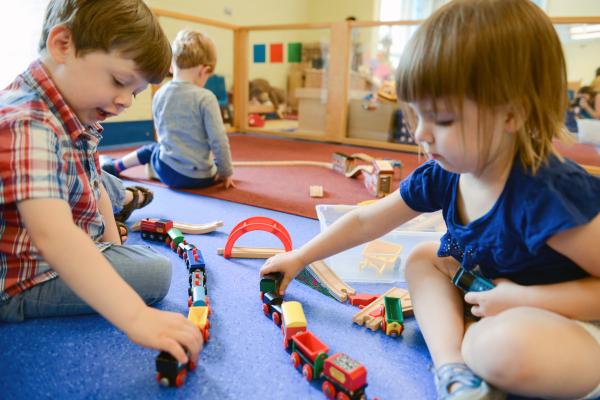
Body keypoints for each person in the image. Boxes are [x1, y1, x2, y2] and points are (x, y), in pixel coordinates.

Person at [261, 1, 600, 399]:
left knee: (496, 347)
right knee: (424, 258)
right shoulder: (448, 172)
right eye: (416, 116)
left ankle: (474, 349)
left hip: (569, 323)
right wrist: (301, 257)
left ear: (513, 114)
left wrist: (524, 299)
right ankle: (452, 367)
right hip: (493, 299)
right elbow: (367, 221)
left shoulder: (548, 194)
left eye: (441, 120)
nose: (422, 134)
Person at [0, 0, 202, 366]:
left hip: (58, 228)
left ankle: (121, 204)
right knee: (156, 272)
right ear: (63, 45)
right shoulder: (27, 122)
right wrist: (137, 318)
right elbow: (55, 238)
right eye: (120, 82)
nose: (125, 101)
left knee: (104, 183)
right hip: (20, 283)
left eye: (135, 92)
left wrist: (110, 243)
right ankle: (117, 216)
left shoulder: (72, 108)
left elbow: (91, 179)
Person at [101, 30, 235, 190]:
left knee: (153, 149)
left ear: (171, 67)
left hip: (167, 172)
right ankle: (142, 167)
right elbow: (218, 140)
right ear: (204, 71)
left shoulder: (160, 93)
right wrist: (225, 172)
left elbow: (161, 133)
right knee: (203, 161)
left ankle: (115, 166)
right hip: (200, 178)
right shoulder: (206, 97)